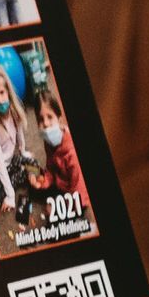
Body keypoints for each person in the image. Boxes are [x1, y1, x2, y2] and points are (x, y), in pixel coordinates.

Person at [0, 60, 36, 226]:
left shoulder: (14, 110)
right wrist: (11, 196)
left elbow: (19, 134)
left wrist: (23, 152)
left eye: (2, 92)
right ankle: (1, 192)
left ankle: (3, 188)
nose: (0, 99)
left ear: (8, 90)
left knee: (35, 167)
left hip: (10, 160)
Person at [31, 84, 89, 218]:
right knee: (32, 184)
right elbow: (51, 169)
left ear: (59, 119)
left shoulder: (72, 153)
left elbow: (79, 190)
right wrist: (43, 181)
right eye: (40, 119)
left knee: (53, 217)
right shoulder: (48, 141)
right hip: (60, 183)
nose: (45, 124)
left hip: (76, 194)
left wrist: (60, 207)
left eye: (50, 117)